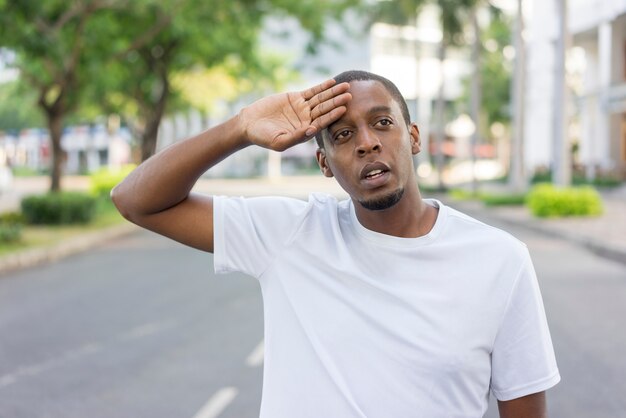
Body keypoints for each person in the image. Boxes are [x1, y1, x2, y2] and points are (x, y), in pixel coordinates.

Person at [112, 70, 560, 417]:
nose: (367, 143)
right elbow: (136, 201)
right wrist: (240, 128)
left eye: (383, 123)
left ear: (414, 138)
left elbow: (522, 404)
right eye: (343, 135)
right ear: (326, 164)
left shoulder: (499, 259)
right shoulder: (290, 232)